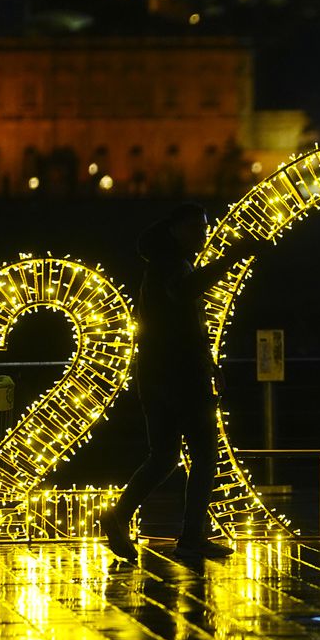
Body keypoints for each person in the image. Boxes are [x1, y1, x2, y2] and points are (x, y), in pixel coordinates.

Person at [100, 202, 260, 562]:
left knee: (165, 455)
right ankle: (191, 536)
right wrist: (231, 257)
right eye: (195, 228)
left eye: (204, 228)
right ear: (174, 229)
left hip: (159, 374)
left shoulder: (162, 262)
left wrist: (208, 362)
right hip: (181, 378)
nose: (202, 235)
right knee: (203, 455)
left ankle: (119, 515)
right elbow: (186, 295)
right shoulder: (170, 265)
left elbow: (186, 321)